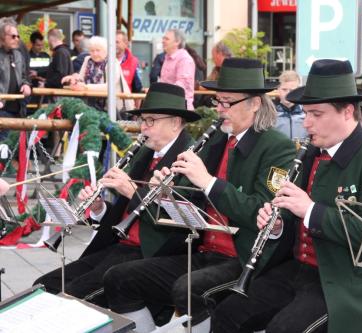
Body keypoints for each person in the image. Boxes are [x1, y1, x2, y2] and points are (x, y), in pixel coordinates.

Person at [102, 58, 296, 333]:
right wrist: (167, 193)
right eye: (218, 101)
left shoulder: (277, 148)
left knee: (188, 290)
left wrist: (207, 181)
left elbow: (260, 212)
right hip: (201, 249)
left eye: (227, 103)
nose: (219, 109)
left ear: (254, 103)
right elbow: (190, 199)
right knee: (120, 278)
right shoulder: (217, 140)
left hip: (242, 257)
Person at [213, 59, 362, 333]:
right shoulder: (311, 152)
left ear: (348, 111)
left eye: (316, 114)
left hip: (343, 281)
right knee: (228, 314)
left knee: (283, 329)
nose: (307, 123)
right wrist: (277, 225)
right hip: (297, 269)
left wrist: (310, 210)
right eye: (305, 113)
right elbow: (291, 216)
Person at [33, 82, 200, 306]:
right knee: (44, 285)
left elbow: (181, 223)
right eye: (143, 120)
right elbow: (125, 213)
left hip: (150, 252)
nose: (143, 128)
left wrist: (132, 191)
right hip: (117, 245)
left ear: (176, 122)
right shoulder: (145, 154)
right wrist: (99, 209)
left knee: (72, 296)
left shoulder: (189, 160)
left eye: (151, 120)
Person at [61, 36, 134, 112]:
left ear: (105, 51)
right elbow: (81, 78)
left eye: (98, 50)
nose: (95, 53)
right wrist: (74, 79)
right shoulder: (88, 60)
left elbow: (110, 87)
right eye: (92, 51)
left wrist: (86, 87)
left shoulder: (112, 62)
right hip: (90, 104)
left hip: (112, 107)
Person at [0, 17, 31, 140]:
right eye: (13, 36)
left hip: (18, 110)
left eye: (18, 36)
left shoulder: (18, 54)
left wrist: (26, 84)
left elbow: (25, 76)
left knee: (15, 149)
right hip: (2, 109)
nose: (17, 39)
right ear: (2, 36)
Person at [159, 29, 195, 110]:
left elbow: (180, 87)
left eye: (166, 39)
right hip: (169, 106)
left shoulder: (184, 59)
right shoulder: (168, 58)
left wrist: (158, 90)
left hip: (180, 108)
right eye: (163, 38)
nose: (163, 41)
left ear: (177, 42)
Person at [274, 70, 307, 140]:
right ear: (278, 89)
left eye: (292, 91)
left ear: (298, 91)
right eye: (284, 89)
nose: (287, 94)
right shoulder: (270, 115)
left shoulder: (307, 114)